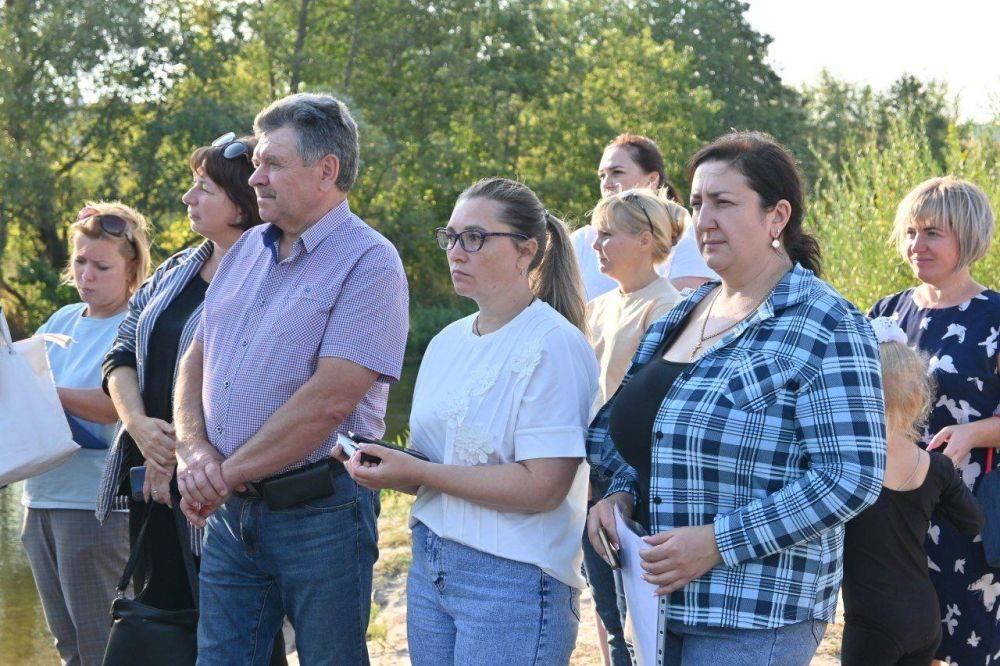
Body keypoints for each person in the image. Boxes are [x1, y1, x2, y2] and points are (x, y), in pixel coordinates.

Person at [587, 131, 886, 666]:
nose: (704, 219)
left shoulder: (826, 323)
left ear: (778, 217)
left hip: (751, 614)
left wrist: (717, 542)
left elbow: (851, 476)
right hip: (656, 606)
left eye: (724, 202)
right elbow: (652, 438)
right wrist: (620, 496)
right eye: (698, 203)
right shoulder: (683, 312)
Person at [172, 93, 409, 666]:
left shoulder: (370, 262)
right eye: (256, 162)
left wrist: (220, 474)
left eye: (272, 163)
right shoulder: (246, 247)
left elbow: (329, 402)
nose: (254, 177)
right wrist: (193, 449)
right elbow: (195, 359)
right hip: (232, 515)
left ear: (326, 170)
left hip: (321, 515)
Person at [333, 177, 599, 665]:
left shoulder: (554, 345)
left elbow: (544, 489)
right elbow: (443, 468)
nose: (456, 251)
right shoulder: (446, 342)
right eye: (450, 237)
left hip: (513, 578)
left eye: (474, 238)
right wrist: (391, 465)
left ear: (526, 251)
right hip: (431, 564)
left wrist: (418, 473)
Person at [98, 135, 266, 620]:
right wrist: (139, 428)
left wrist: (175, 453)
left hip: (214, 483)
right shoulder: (177, 268)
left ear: (241, 202)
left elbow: (246, 386)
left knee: (227, 626)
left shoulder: (265, 275)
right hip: (148, 477)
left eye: (204, 189)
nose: (188, 198)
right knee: (160, 617)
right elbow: (120, 353)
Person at [869, 176, 999, 665]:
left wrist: (972, 432)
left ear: (967, 237)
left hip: (968, 512)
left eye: (932, 233)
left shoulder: (995, 316)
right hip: (892, 517)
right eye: (910, 232)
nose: (915, 245)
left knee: (971, 643)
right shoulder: (886, 313)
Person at [21, 201, 151, 666]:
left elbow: (115, 408)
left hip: (95, 508)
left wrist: (46, 392)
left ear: (132, 268)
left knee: (102, 646)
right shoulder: (60, 320)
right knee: (67, 645)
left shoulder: (135, 324)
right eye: (79, 262)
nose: (86, 275)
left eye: (101, 266)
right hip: (39, 499)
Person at [841, 316, 984, 666]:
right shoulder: (936, 468)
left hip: (871, 624)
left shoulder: (847, 465)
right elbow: (973, 522)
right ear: (920, 396)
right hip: (924, 616)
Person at [583, 188, 684, 665]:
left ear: (645, 240)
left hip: (633, 476)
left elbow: (653, 404)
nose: (596, 245)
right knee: (605, 607)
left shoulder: (668, 306)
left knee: (637, 612)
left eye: (607, 235)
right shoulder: (598, 306)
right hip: (590, 473)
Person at [572, 133, 718, 300]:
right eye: (602, 175)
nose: (606, 183)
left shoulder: (685, 235)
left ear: (652, 179)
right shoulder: (582, 240)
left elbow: (685, 311)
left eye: (617, 172)